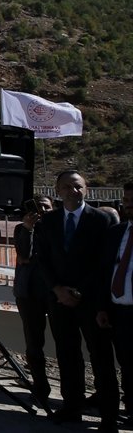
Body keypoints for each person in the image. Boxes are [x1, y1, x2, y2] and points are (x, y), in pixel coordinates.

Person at [34, 170, 119, 430]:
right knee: (67, 355)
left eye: (78, 186)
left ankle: (108, 416)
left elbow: (105, 264)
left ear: (87, 189)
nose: (73, 191)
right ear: (57, 191)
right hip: (59, 301)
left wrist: (80, 291)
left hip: (92, 302)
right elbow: (42, 259)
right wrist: (57, 289)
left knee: (101, 357)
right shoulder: (48, 222)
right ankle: (72, 407)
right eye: (67, 187)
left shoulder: (101, 221)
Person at [97, 181, 133, 424]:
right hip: (118, 312)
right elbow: (103, 272)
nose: (129, 206)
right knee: (127, 365)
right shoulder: (116, 233)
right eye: (127, 201)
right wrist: (102, 307)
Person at [14, 195, 53, 406]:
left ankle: (72, 392)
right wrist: (28, 229)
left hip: (54, 292)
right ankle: (40, 387)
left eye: (46, 207)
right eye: (37, 208)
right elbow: (24, 254)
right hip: (28, 293)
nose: (41, 212)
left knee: (66, 344)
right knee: (33, 344)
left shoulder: (57, 228)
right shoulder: (22, 230)